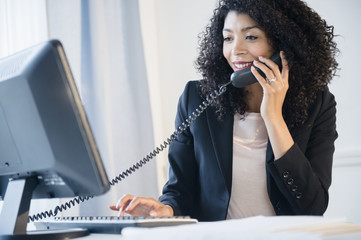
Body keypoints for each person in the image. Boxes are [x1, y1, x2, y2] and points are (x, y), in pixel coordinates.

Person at [109, 0, 338, 221]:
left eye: (251, 37)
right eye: (228, 38)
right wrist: (165, 209)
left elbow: (312, 205)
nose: (235, 49)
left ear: (282, 46)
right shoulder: (196, 98)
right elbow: (179, 191)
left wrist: (273, 117)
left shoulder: (318, 104)